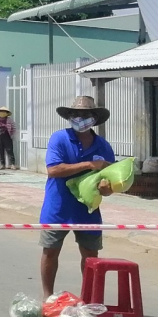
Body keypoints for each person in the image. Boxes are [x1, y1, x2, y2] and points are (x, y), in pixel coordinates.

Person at [39, 95, 117, 297]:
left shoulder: (103, 146)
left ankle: (88, 298)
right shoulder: (59, 138)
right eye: (75, 114)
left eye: (85, 114)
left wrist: (106, 186)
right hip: (58, 206)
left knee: (91, 255)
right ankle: (48, 297)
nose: (80, 118)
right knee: (50, 250)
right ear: (69, 117)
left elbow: (109, 187)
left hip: (88, 210)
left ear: (94, 118)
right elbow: (53, 170)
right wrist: (89, 165)